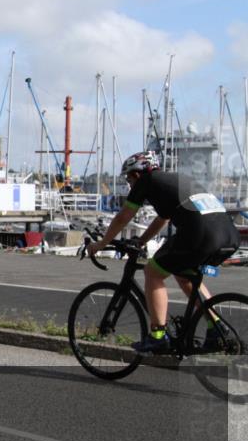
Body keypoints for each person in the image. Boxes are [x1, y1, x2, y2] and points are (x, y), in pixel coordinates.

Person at [86, 151, 240, 353]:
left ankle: (158, 336)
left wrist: (100, 244)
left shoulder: (147, 181)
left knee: (153, 271)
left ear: (138, 173)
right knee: (186, 275)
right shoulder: (173, 180)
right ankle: (216, 328)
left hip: (201, 235)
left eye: (129, 177)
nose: (129, 183)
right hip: (229, 236)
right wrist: (141, 241)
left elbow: (123, 217)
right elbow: (162, 219)